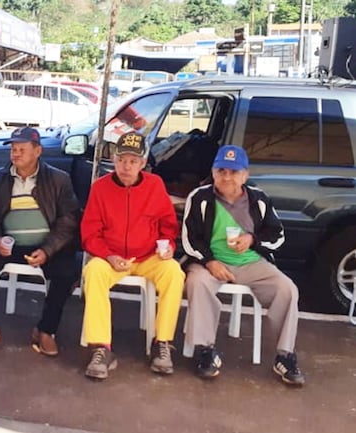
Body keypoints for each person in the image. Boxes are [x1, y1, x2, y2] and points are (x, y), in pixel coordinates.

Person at [182, 145, 305, 386]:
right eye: (221, 170)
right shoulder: (199, 197)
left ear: (245, 175)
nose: (227, 177)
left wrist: (252, 239)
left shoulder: (258, 199)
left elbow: (278, 235)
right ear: (213, 172)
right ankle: (205, 350)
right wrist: (209, 261)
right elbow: (189, 238)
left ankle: (285, 355)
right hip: (210, 262)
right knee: (197, 283)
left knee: (286, 289)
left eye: (233, 171)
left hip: (251, 262)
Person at [0, 127, 80, 356]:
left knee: (67, 269)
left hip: (46, 246)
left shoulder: (58, 179)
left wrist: (47, 250)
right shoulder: (0, 177)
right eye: (13, 150)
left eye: (22, 149)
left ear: (37, 151)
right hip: (10, 246)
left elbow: (68, 222)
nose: (15, 154)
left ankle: (46, 330)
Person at [81, 131, 184, 379]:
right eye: (121, 160)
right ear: (114, 160)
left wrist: (168, 246)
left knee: (174, 273)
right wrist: (108, 256)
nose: (126, 166)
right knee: (93, 272)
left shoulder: (155, 185)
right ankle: (101, 348)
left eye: (133, 161)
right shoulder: (100, 188)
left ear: (142, 163)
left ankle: (162, 343)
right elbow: (89, 233)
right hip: (112, 258)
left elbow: (168, 226)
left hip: (148, 257)